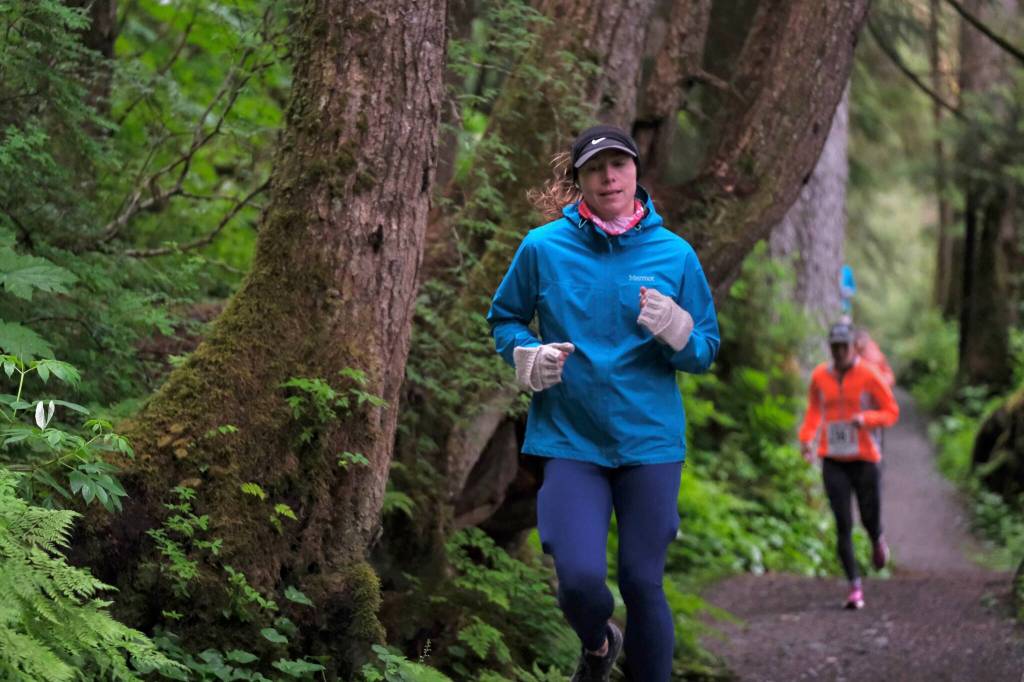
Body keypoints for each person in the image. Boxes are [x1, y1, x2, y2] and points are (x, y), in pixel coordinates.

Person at [486, 124, 719, 682]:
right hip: (570, 438)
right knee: (580, 579)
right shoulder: (543, 248)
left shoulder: (675, 253)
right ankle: (597, 643)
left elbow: (706, 350)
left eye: (618, 164)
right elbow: (505, 318)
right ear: (579, 181)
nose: (608, 176)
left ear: (637, 172)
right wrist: (526, 355)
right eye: (595, 168)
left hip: (650, 442)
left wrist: (680, 331)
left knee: (642, 581)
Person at [798, 322, 899, 610]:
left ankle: (877, 538)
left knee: (869, 519)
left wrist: (865, 419)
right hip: (833, 459)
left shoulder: (870, 374)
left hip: (866, 457)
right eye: (835, 347)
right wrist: (807, 440)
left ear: (853, 346)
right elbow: (814, 411)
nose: (839, 351)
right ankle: (854, 587)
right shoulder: (820, 376)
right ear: (830, 348)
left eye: (844, 346)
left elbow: (891, 412)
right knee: (843, 523)